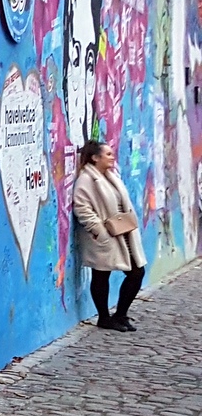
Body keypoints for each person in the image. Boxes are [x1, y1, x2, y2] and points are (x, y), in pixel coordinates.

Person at [72, 140, 146, 331]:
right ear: (95, 158)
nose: (112, 157)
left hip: (122, 232)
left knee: (137, 272)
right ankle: (104, 318)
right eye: (108, 154)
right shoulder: (87, 179)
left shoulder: (110, 176)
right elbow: (82, 208)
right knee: (101, 274)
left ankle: (120, 314)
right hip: (104, 236)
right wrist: (99, 231)